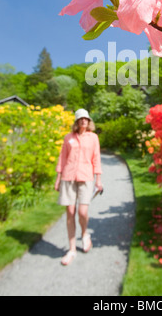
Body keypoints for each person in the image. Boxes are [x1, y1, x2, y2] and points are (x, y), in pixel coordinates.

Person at [55, 108, 103, 266]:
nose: (84, 121)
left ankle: (84, 234)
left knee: (82, 212)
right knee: (70, 212)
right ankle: (71, 250)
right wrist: (58, 178)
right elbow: (63, 158)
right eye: (81, 119)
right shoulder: (68, 137)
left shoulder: (93, 138)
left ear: (89, 121)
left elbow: (96, 158)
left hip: (86, 177)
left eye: (86, 119)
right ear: (76, 122)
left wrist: (98, 180)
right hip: (68, 178)